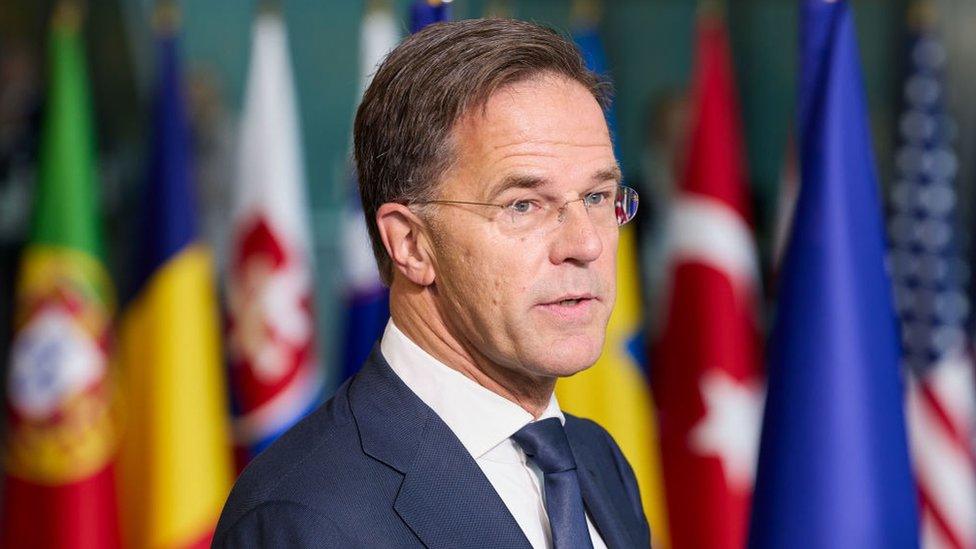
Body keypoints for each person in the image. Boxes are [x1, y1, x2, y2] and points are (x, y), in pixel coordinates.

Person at [214, 18, 650, 548]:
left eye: (597, 197)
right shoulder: (304, 517)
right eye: (523, 205)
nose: (585, 245)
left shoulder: (596, 458)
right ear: (411, 244)